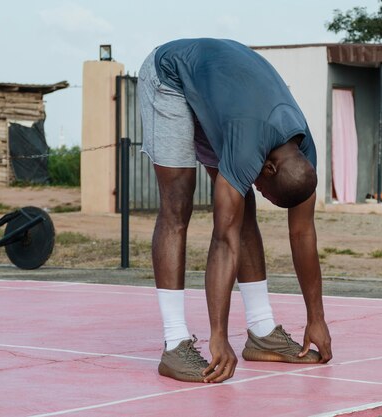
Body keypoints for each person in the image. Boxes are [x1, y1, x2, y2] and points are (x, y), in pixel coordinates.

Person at [137, 38, 333, 384]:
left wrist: (316, 318)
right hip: (170, 74)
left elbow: (303, 233)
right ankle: (175, 342)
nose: (260, 189)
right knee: (178, 202)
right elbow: (223, 240)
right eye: (264, 188)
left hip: (225, 96)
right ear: (268, 168)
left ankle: (261, 331)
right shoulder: (250, 147)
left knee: (242, 206)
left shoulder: (303, 158)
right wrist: (219, 335)